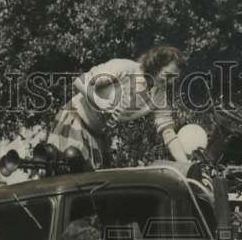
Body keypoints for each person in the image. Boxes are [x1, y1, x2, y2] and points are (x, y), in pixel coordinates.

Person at [46, 45, 190, 169]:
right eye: (167, 75)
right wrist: (98, 100)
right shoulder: (126, 68)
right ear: (155, 66)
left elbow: (168, 132)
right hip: (75, 120)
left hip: (97, 135)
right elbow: (80, 81)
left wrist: (187, 165)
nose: (170, 82)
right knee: (67, 176)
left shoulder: (159, 95)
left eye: (174, 78)